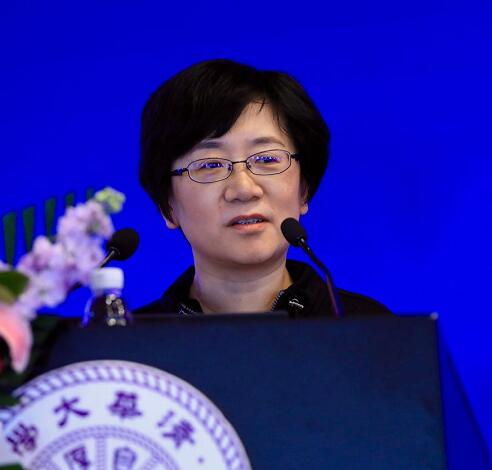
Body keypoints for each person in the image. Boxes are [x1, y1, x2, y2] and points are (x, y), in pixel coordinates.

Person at [138, 59, 390, 317]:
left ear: (303, 189)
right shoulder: (129, 339)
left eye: (267, 159)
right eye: (211, 164)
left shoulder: (369, 328)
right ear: (167, 206)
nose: (244, 190)